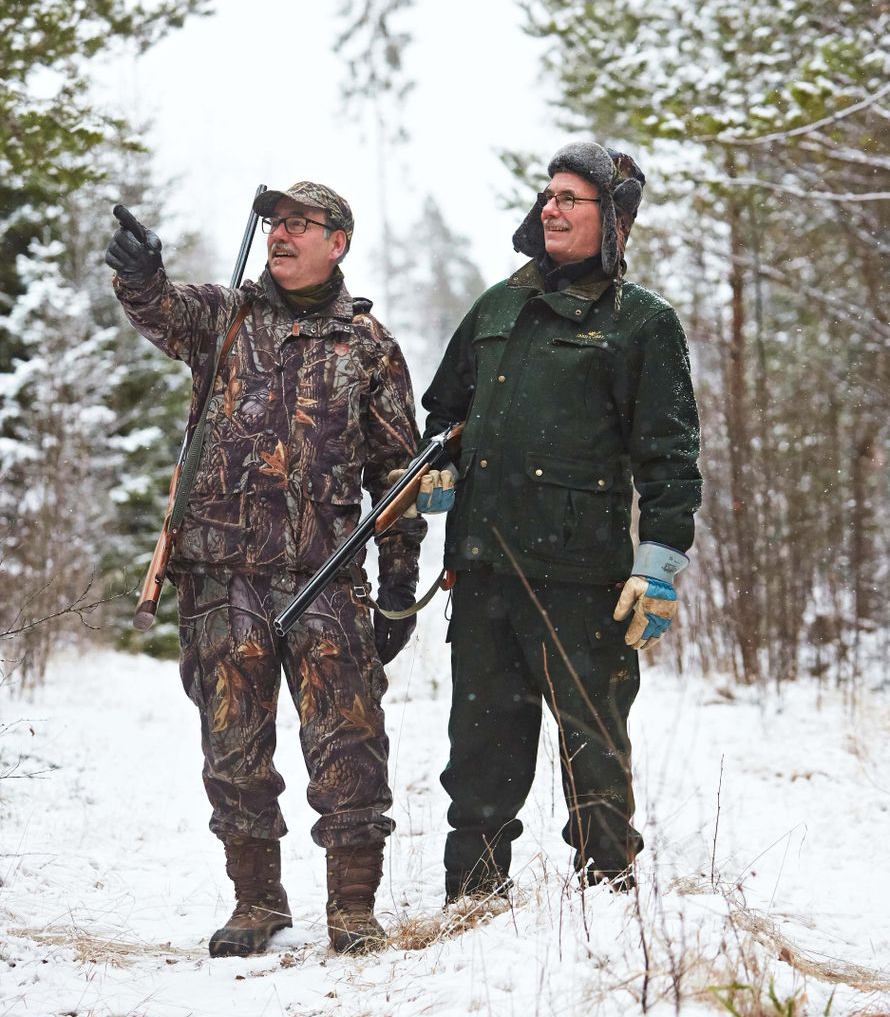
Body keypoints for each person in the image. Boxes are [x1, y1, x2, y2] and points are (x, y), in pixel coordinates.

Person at [105, 181, 426, 956]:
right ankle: (256, 904)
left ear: (337, 243)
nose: (281, 234)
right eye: (276, 222)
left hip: (327, 578)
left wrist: (398, 586)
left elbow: (399, 475)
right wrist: (140, 274)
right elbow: (161, 311)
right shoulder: (224, 317)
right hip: (222, 580)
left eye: (300, 224)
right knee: (233, 751)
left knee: (350, 748)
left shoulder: (368, 345)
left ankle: (353, 910)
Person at [419, 141, 701, 899]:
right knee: (479, 752)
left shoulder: (643, 323)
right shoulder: (497, 305)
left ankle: (606, 892)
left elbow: (670, 456)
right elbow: (445, 410)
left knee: (594, 745)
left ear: (613, 219)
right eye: (548, 194)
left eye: (571, 198)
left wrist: (659, 565)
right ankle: (472, 898)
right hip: (482, 566)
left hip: (581, 577)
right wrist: (437, 464)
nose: (551, 207)